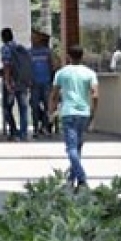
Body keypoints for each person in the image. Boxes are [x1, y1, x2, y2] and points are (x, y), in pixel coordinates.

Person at [50, 46, 99, 190]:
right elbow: (95, 95)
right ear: (82, 56)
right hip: (83, 113)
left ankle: (82, 179)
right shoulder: (90, 73)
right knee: (78, 147)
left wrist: (51, 111)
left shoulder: (61, 73)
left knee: (71, 148)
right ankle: (72, 178)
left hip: (68, 112)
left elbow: (54, 94)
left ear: (68, 57)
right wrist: (93, 112)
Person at [0, 27, 31, 141]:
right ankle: (23, 133)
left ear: (2, 37)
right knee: (23, 109)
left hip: (12, 83)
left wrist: (7, 82)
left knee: (7, 108)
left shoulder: (5, 48)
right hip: (22, 82)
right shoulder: (21, 48)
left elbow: (7, 66)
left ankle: (13, 131)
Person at [28, 31, 55, 137]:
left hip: (46, 82)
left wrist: (53, 80)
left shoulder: (47, 52)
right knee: (34, 106)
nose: (33, 40)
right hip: (34, 83)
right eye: (32, 38)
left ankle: (44, 126)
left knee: (47, 106)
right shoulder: (29, 52)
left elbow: (52, 65)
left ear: (39, 39)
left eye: (35, 38)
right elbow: (27, 68)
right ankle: (35, 127)